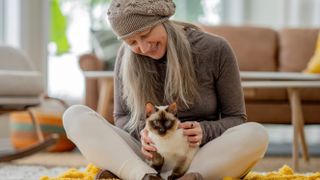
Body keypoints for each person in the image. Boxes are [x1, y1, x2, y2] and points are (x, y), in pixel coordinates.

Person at [63, 0, 269, 179]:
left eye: (145, 34)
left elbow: (236, 117)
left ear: (162, 20)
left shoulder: (215, 49)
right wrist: (142, 133)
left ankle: (187, 177)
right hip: (146, 158)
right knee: (74, 115)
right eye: (132, 42)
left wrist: (205, 131)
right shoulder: (125, 58)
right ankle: (144, 177)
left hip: (199, 156)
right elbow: (122, 116)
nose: (142, 48)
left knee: (256, 134)